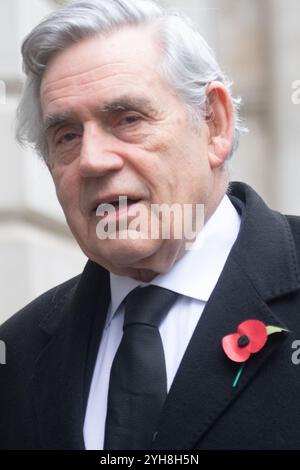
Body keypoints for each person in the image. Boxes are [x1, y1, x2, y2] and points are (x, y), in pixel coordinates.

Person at [1, 0, 300, 451]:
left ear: (214, 124)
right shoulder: (17, 353)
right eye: (67, 135)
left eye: (127, 119)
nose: (93, 160)